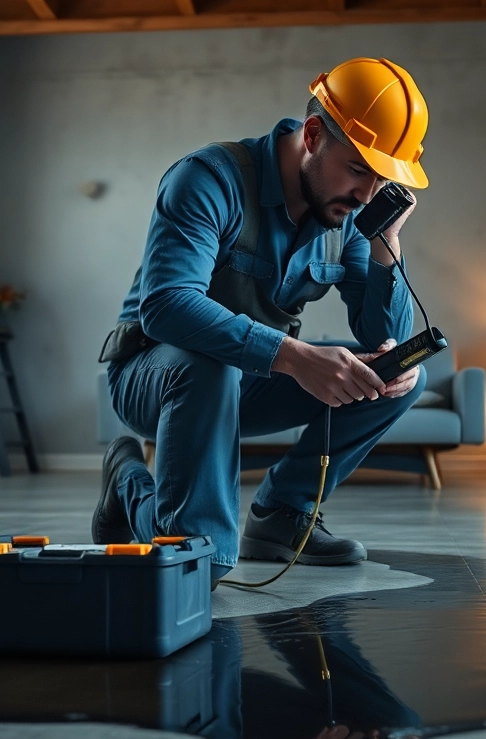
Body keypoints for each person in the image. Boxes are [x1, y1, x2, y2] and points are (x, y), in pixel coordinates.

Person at [94, 58, 431, 587]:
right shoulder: (210, 179)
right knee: (199, 567)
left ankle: (282, 514)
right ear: (314, 135)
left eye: (383, 179)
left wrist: (388, 243)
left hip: (247, 380)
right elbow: (166, 305)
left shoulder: (345, 217)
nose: (367, 194)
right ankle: (129, 483)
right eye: (359, 169)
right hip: (155, 377)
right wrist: (298, 358)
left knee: (391, 378)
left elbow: (377, 334)